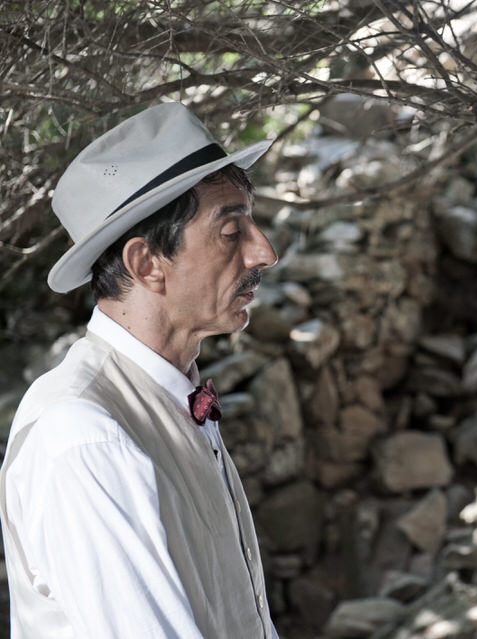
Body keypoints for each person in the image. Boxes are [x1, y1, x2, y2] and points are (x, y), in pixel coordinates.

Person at [0, 103, 281, 638]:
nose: (263, 252)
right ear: (146, 263)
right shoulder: (86, 435)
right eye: (231, 231)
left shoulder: (166, 396)